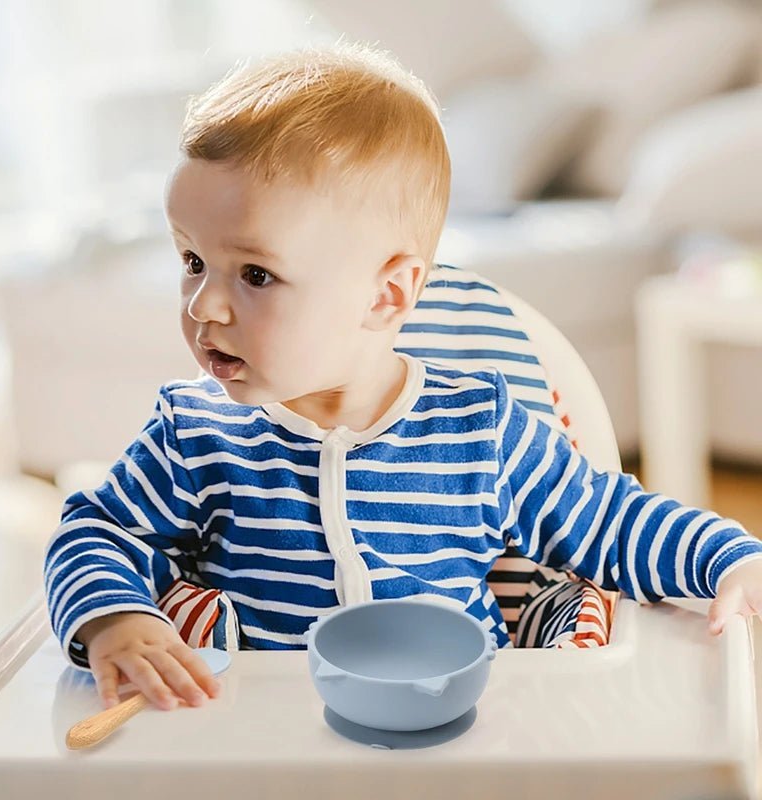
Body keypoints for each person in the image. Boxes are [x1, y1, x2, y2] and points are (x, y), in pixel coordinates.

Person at [43, 41, 762, 715]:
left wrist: (732, 560)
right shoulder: (194, 436)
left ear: (386, 296)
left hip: (458, 740)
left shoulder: (482, 433)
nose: (205, 304)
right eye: (192, 261)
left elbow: (612, 521)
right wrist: (116, 620)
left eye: (255, 274)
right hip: (263, 745)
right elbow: (94, 531)